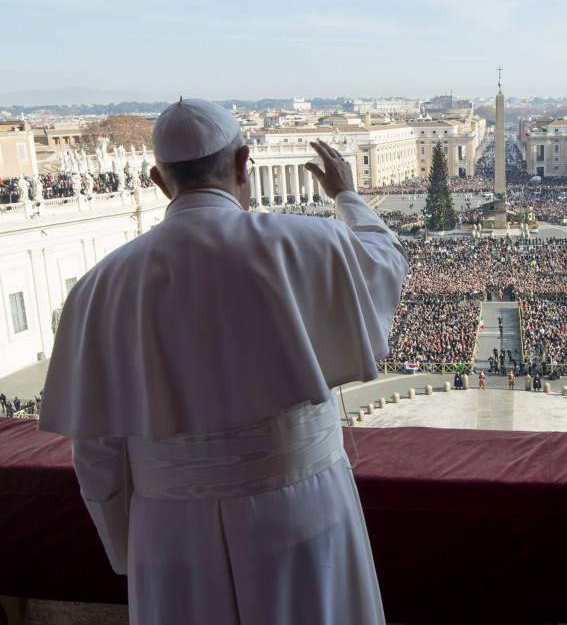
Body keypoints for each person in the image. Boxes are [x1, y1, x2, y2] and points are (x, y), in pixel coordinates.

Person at [38, 99, 408, 624]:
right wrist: (347, 194)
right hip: (300, 510)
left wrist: (131, 543)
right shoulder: (309, 242)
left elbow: (96, 450)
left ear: (158, 181)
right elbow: (386, 260)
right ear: (243, 164)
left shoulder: (99, 289)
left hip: (170, 529)